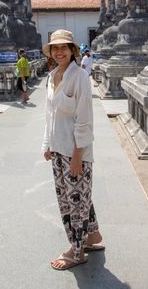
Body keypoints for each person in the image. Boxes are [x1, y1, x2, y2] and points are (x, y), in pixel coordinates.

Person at [42, 29, 104, 271]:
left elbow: (84, 120)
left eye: (64, 47)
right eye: (55, 48)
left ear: (72, 51)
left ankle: (76, 252)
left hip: (75, 152)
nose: (59, 51)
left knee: (74, 204)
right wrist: (46, 144)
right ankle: (92, 236)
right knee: (72, 198)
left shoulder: (79, 77)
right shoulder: (51, 76)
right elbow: (49, 115)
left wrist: (78, 156)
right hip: (58, 149)